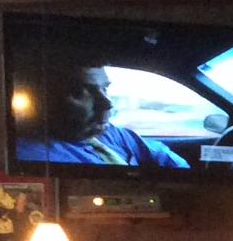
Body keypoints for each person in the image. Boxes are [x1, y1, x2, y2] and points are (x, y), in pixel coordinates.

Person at [13, 58, 188, 169]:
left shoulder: (109, 133)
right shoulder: (36, 157)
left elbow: (159, 153)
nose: (107, 103)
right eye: (81, 93)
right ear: (43, 99)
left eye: (105, 88)